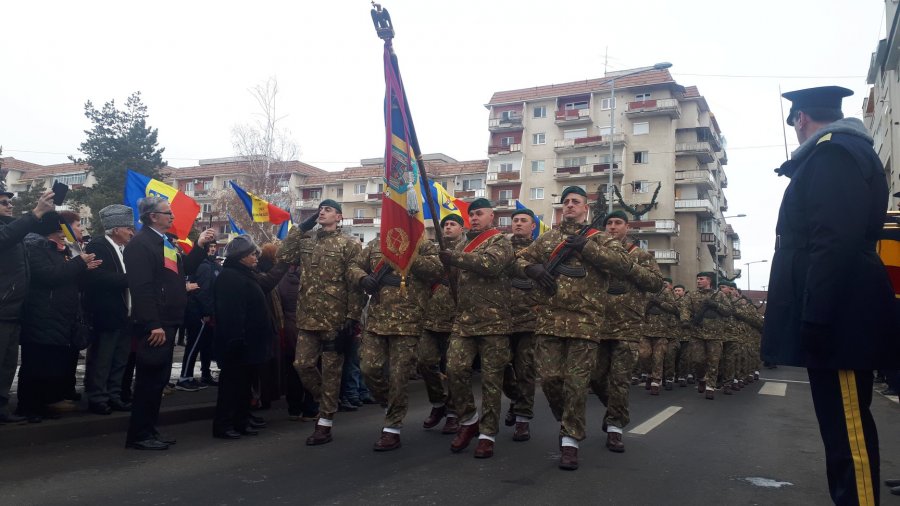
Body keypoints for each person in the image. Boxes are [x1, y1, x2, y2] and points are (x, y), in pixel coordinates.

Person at [762, 86, 900, 505]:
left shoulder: (832, 154)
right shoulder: (843, 151)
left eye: (795, 123)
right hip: (841, 309)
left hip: (840, 315)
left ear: (801, 118)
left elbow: (833, 241)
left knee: (848, 435)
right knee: (843, 431)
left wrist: (817, 315)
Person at [516, 187, 635, 470]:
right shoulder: (548, 239)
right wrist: (530, 269)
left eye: (575, 202)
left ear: (586, 209)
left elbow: (624, 264)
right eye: (566, 202)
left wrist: (586, 248)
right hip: (549, 322)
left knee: (577, 384)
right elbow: (520, 258)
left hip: (585, 323)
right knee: (550, 380)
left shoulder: (600, 239)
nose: (569, 205)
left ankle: (570, 440)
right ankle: (567, 419)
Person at [124, 197, 215, 450]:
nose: (172, 217)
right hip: (157, 324)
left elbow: (183, 269)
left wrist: (199, 246)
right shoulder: (140, 245)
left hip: (169, 321)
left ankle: (149, 430)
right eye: (168, 213)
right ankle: (140, 435)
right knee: (149, 381)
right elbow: (141, 289)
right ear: (153, 216)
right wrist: (153, 324)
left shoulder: (162, 242)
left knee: (159, 381)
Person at [277, 199, 365, 446]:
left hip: (334, 319)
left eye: (328, 210)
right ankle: (328, 400)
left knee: (332, 371)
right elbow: (283, 254)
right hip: (307, 316)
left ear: (339, 216)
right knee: (302, 364)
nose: (322, 213)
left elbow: (354, 284)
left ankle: (324, 422)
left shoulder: (349, 245)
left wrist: (353, 318)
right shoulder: (307, 241)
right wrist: (300, 228)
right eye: (320, 210)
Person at [439, 198, 514, 459]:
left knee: (491, 381)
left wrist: (454, 258)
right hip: (465, 320)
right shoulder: (461, 243)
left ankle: (487, 434)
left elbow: (490, 265)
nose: (474, 218)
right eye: (471, 214)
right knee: (455, 369)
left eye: (479, 214)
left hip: (494, 322)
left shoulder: (501, 242)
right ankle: (469, 421)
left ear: (492, 216)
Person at [354, 233, 442, 450]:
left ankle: (392, 429)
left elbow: (437, 270)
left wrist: (410, 255)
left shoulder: (423, 245)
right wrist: (362, 278)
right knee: (368, 368)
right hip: (377, 319)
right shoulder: (377, 244)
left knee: (398, 376)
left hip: (409, 320)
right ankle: (390, 406)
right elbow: (354, 265)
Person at [17, 211, 101, 421]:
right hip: (41, 315)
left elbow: (66, 277)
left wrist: (83, 269)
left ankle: (46, 402)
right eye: (60, 231)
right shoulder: (34, 247)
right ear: (50, 232)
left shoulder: (54, 249)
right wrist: (78, 263)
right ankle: (28, 407)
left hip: (57, 317)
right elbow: (49, 276)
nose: (65, 235)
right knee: (36, 365)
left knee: (51, 364)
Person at [591, 209, 662, 452]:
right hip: (597, 325)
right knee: (596, 377)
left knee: (620, 379)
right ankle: (615, 411)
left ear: (627, 227)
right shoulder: (596, 253)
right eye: (608, 223)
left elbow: (655, 283)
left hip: (627, 326)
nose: (612, 227)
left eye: (617, 223)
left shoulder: (639, 255)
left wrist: (629, 268)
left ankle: (614, 428)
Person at [212, 235, 287, 439]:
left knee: (244, 385)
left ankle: (241, 419)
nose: (256, 257)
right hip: (238, 343)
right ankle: (224, 424)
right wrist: (236, 340)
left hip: (250, 343)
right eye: (252, 254)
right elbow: (231, 313)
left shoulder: (245, 274)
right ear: (241, 257)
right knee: (231, 386)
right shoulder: (230, 277)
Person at [0, 188, 56, 423]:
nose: (9, 205)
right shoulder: (10, 232)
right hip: (2, 308)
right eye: (3, 202)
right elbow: (5, 238)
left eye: (9, 201)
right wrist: (36, 212)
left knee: (7, 364)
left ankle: (1, 408)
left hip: (14, 309)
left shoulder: (14, 229)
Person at [83, 204, 135, 415]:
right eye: (128, 228)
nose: (132, 232)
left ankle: (113, 396)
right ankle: (97, 397)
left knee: (119, 359)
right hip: (106, 314)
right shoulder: (99, 245)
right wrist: (132, 279)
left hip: (123, 314)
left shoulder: (122, 249)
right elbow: (97, 278)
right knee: (102, 360)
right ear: (116, 229)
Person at [419, 214, 466, 434]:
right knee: (425, 362)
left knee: (454, 370)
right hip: (431, 318)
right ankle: (438, 403)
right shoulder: (432, 251)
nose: (447, 228)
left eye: (452, 224)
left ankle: (454, 413)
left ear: (461, 228)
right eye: (445, 225)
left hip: (456, 320)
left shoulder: (467, 250)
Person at [502, 207, 541, 442]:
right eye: (515, 220)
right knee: (500, 368)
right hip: (502, 318)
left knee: (525, 370)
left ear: (532, 226)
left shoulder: (540, 251)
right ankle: (516, 399)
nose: (518, 224)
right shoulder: (502, 248)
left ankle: (523, 420)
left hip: (529, 320)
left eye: (523, 220)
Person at [276, 264, 318, 422]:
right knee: (310, 367)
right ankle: (310, 408)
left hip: (288, 327)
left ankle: (294, 408)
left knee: (292, 369)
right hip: (307, 327)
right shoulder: (310, 279)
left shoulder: (283, 280)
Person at [177, 242, 220, 392]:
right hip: (198, 313)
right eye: (210, 247)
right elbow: (203, 291)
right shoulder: (204, 266)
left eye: (215, 246)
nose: (213, 249)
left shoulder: (212, 265)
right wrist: (206, 313)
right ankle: (184, 377)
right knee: (193, 346)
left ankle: (197, 375)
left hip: (203, 312)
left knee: (202, 346)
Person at [681, 272, 732, 400]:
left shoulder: (719, 295)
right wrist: (685, 320)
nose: (698, 281)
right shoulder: (692, 295)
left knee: (714, 361)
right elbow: (684, 308)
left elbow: (728, 310)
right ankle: (702, 378)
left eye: (701, 279)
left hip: (715, 334)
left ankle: (710, 387)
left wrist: (715, 304)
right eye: (697, 279)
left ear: (709, 281)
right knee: (697, 360)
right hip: (697, 333)